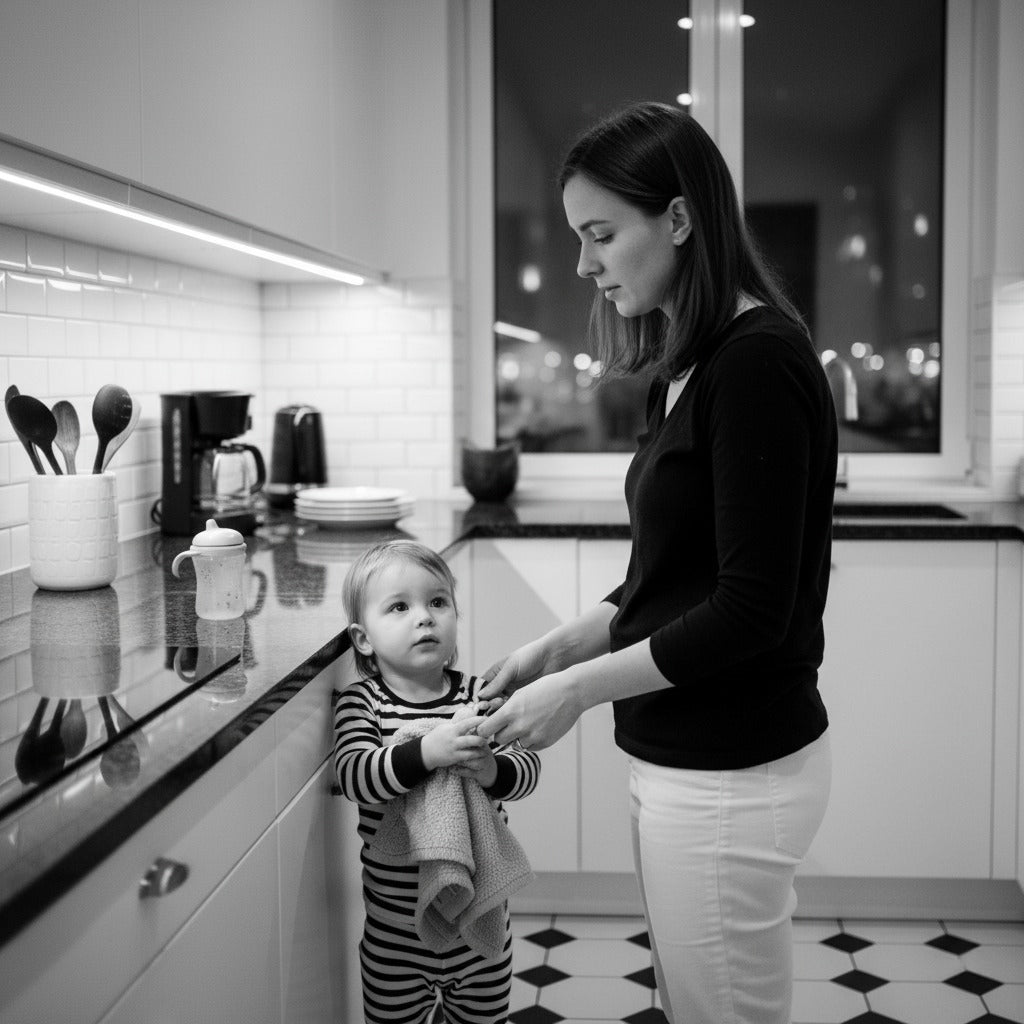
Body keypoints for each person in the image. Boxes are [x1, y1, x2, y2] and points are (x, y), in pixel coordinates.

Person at [477, 101, 838, 1024]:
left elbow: (747, 610)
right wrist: (557, 649)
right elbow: (673, 579)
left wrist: (577, 691)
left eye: (601, 234)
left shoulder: (755, 363)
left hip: (730, 768)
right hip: (687, 757)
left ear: (678, 220)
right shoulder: (692, 359)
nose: (583, 264)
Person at [333, 540, 540, 1024]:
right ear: (363, 639)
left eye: (438, 602)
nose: (424, 617)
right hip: (394, 936)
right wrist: (428, 752)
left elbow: (527, 768)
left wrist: (492, 770)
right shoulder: (362, 704)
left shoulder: (478, 696)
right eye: (400, 606)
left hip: (480, 920)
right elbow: (354, 775)